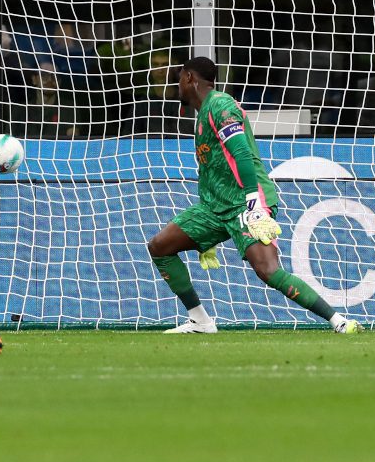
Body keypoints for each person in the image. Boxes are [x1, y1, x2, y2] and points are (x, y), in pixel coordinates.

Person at [146, 57, 363, 335]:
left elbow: (241, 153)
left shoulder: (221, 106)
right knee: (160, 246)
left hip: (245, 202)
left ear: (189, 77)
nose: (177, 86)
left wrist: (252, 200)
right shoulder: (202, 115)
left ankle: (338, 321)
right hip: (214, 208)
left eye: (178, 79)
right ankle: (200, 320)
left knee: (268, 270)